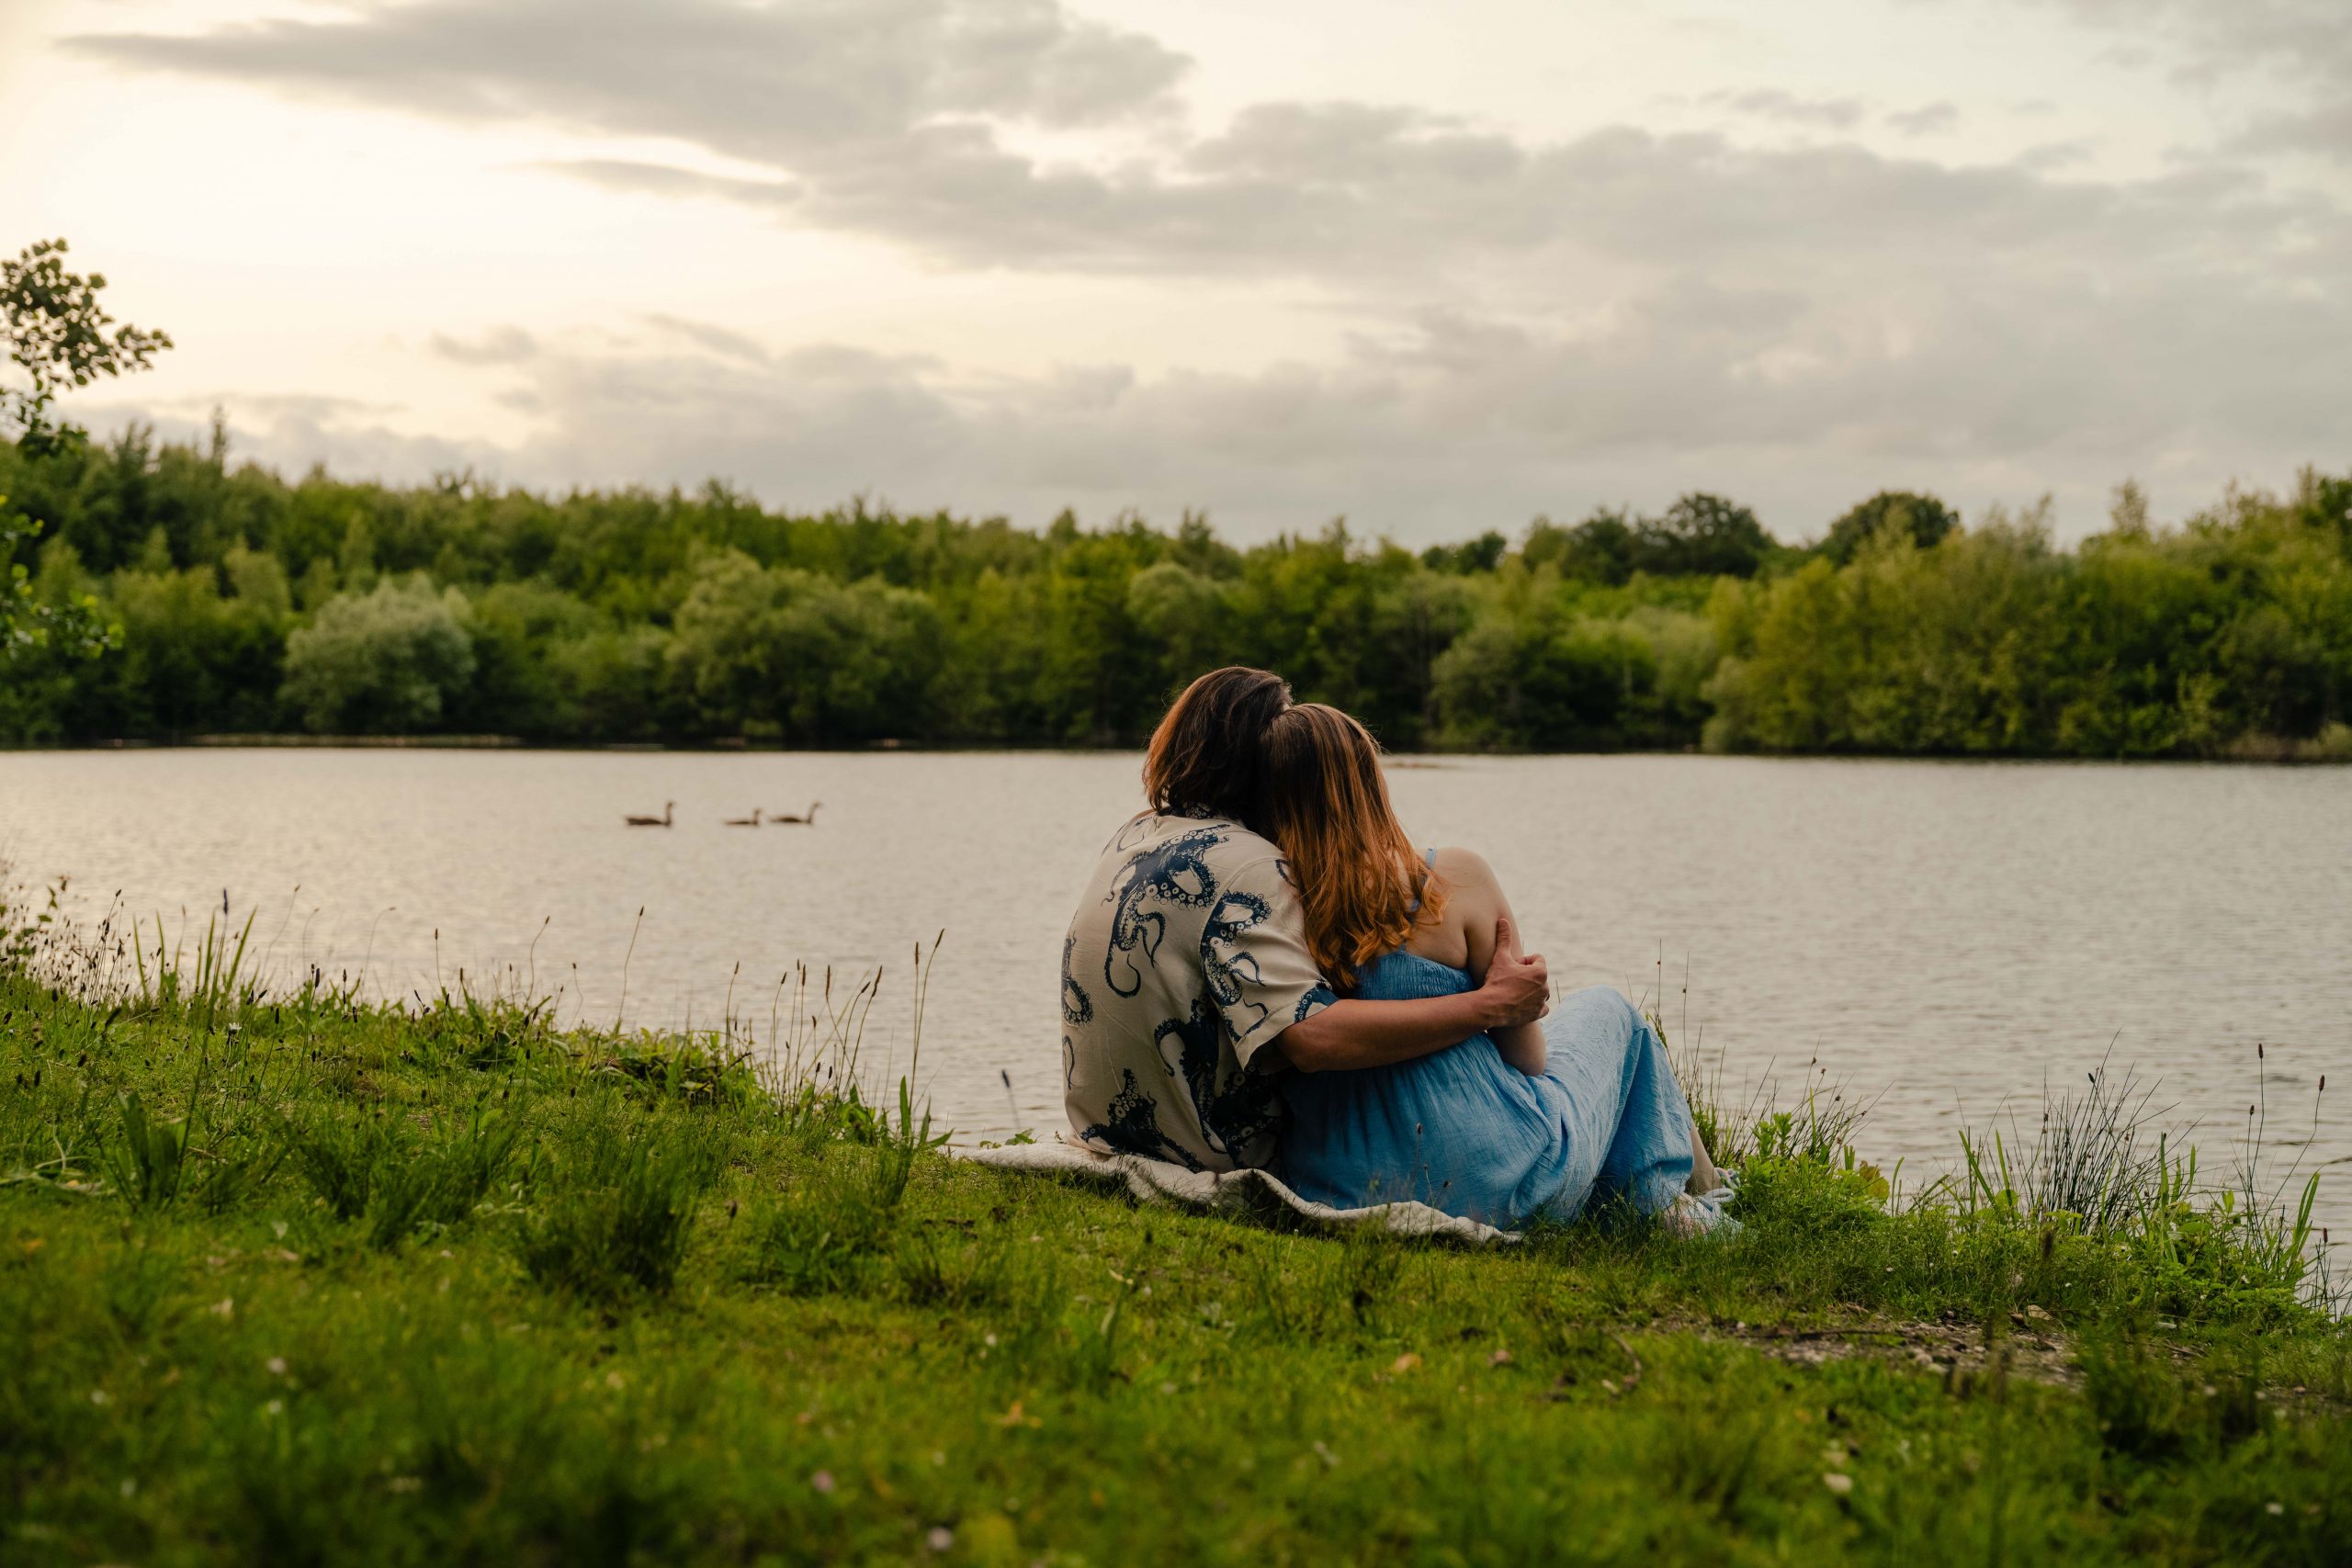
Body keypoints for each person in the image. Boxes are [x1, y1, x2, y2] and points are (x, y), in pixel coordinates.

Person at [1261, 702, 1733, 1234]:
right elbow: (1529, 1058)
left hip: (1338, 1187)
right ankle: (1694, 1199)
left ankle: (1666, 1200)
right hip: (1503, 1182)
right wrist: (1504, 1003)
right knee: (1613, 1012)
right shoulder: (1448, 877)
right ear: (1369, 782)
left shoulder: (1261, 907)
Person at [1061, 667, 1552, 1173]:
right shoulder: (1247, 866)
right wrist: (1489, 1007)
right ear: (1261, 760)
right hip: (1202, 1151)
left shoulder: (1135, 836)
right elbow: (1313, 1039)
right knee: (1604, 1022)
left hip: (1109, 1132)